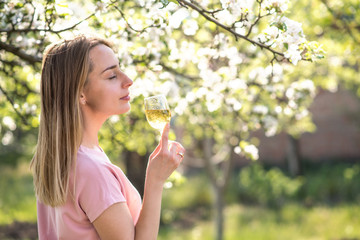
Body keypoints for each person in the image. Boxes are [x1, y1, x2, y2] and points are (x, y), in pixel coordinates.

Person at [30, 35, 185, 240]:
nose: (128, 81)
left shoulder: (60, 159)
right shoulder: (92, 170)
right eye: (112, 76)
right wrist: (155, 181)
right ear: (80, 93)